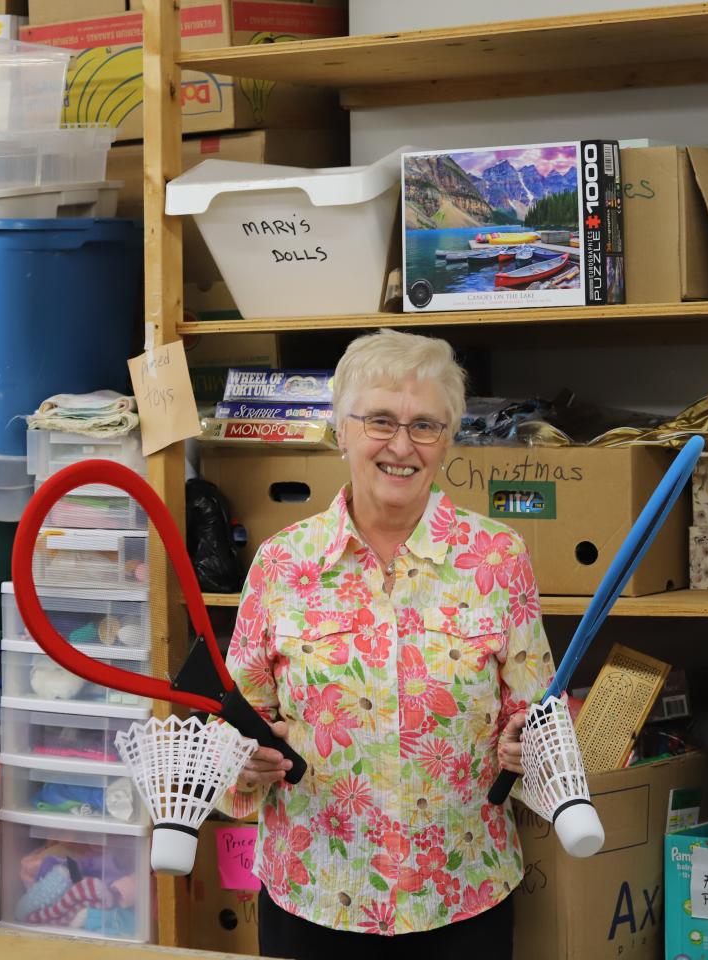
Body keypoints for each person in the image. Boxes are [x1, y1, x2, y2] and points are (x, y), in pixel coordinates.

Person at [221, 329, 555, 959]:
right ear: (340, 430)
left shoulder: (498, 559)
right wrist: (242, 761)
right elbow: (237, 720)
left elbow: (535, 714)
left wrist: (525, 743)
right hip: (314, 892)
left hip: (461, 894)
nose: (402, 446)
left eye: (425, 425)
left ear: (448, 439)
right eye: (380, 421)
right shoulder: (281, 565)